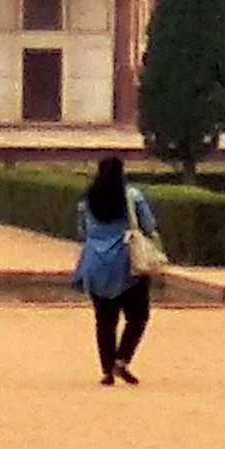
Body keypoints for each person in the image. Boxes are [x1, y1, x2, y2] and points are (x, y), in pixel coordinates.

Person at [72, 154, 160, 386]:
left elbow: (82, 232)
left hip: (95, 262)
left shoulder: (87, 201)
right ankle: (122, 360)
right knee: (138, 315)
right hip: (127, 262)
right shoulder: (132, 197)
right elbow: (148, 225)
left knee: (104, 319)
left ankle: (107, 370)